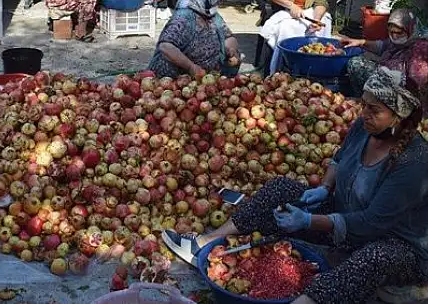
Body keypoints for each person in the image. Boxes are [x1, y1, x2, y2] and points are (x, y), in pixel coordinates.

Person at [162, 67, 428, 304]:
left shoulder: (413, 161)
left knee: (373, 259)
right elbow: (338, 159)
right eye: (364, 105)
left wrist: (309, 220)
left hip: (396, 245)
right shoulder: (364, 127)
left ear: (399, 117)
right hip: (344, 218)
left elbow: (372, 223)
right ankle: (204, 243)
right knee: (280, 189)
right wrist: (325, 187)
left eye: (375, 110)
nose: (365, 114)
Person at [343, 8, 428, 115]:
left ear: (410, 29)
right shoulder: (398, 41)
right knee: (355, 63)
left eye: (398, 32)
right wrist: (361, 42)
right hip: (386, 83)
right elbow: (382, 46)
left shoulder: (420, 49)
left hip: (402, 94)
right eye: (391, 32)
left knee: (361, 67)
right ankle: (367, 104)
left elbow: (417, 84)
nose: (394, 36)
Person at [148, 0, 240, 78]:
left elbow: (228, 37)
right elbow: (165, 46)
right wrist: (191, 67)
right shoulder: (183, 18)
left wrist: (231, 49)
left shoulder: (215, 17)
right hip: (176, 78)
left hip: (206, 78)